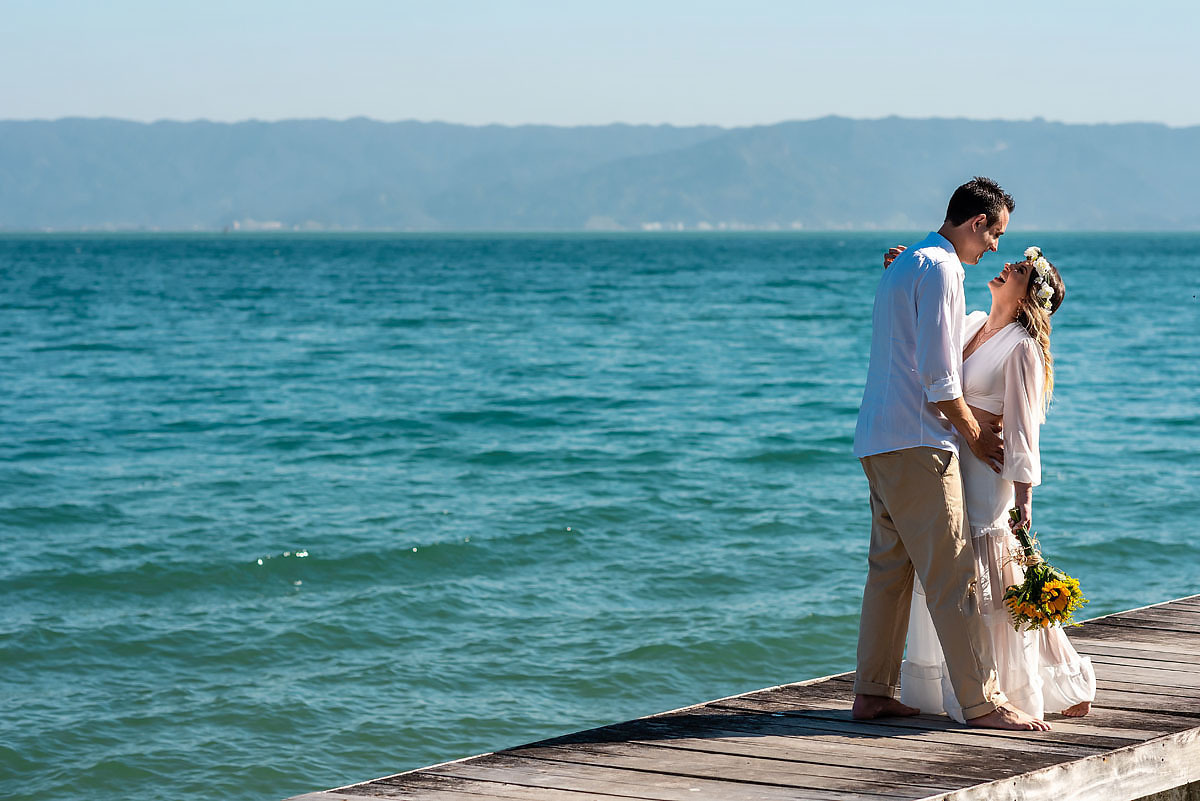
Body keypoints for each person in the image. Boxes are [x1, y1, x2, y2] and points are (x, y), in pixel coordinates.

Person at [852, 177, 1048, 731]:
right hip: (919, 443)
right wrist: (977, 434)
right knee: (955, 574)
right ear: (977, 223)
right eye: (996, 235)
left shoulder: (908, 261)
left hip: (878, 438)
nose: (995, 249)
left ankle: (873, 693)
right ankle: (983, 702)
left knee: (890, 572)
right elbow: (939, 375)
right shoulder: (941, 269)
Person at [895, 245, 1096, 722]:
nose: (1007, 266)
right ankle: (971, 678)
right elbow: (935, 328)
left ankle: (1018, 683)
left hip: (988, 472)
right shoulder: (976, 321)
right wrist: (905, 271)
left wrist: (1024, 497)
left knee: (993, 574)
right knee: (962, 565)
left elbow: (1025, 426)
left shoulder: (1022, 347)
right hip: (952, 462)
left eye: (1021, 270)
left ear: (1029, 296)